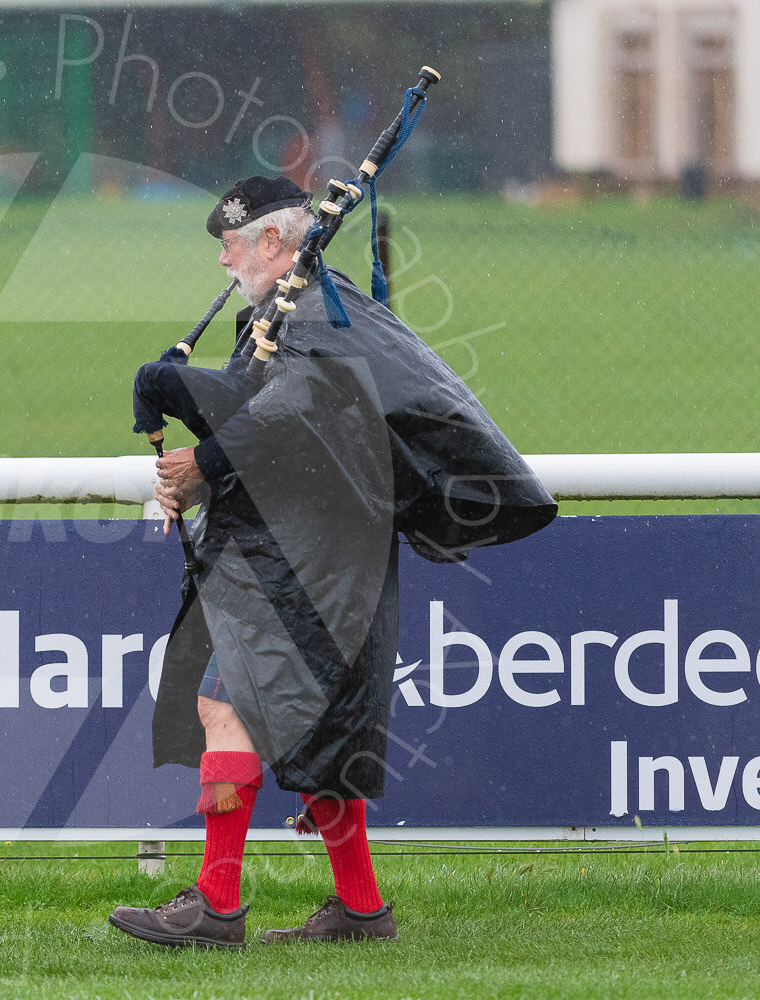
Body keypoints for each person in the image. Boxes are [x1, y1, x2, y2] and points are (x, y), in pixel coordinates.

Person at [109, 176, 556, 948]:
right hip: (300, 555)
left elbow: (294, 416)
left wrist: (201, 455)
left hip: (307, 563)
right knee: (314, 734)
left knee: (230, 708)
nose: (223, 261)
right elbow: (260, 402)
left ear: (275, 242)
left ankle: (216, 907)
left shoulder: (318, 312)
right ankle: (359, 910)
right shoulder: (295, 309)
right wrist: (183, 405)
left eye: (231, 244)